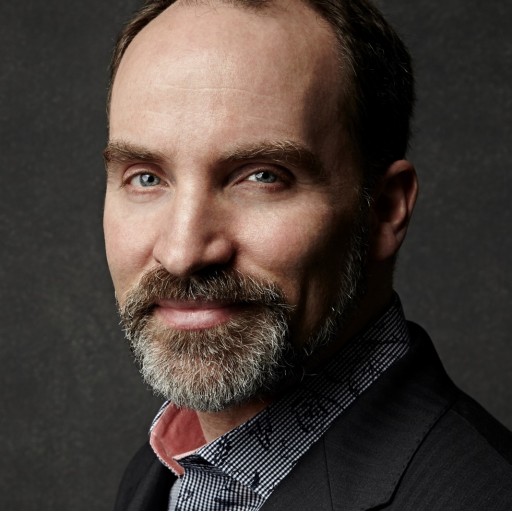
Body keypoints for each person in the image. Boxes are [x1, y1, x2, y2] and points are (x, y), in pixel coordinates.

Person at [103, 0, 512, 509]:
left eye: (262, 176)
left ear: (385, 209)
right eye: (146, 177)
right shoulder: (160, 475)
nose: (182, 252)